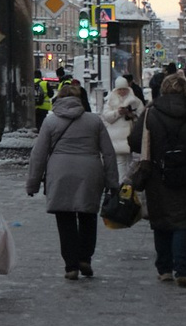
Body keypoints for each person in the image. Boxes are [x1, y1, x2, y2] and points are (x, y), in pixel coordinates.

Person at [131, 72, 186, 285]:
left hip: (157, 176)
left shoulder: (151, 113)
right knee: (184, 223)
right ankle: (183, 270)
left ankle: (165, 269)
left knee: (161, 222)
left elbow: (134, 142)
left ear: (162, 90)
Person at [27, 78, 118, 279]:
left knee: (65, 219)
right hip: (90, 173)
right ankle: (85, 258)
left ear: (58, 99)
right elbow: (108, 153)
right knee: (88, 216)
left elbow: (39, 154)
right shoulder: (94, 121)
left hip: (60, 174)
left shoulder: (50, 122)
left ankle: (71, 266)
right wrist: (112, 182)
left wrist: (32, 183)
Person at [100, 76, 144, 179]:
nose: (122, 91)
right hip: (116, 136)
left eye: (124, 89)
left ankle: (126, 186)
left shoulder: (135, 101)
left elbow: (141, 116)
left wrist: (131, 115)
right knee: (120, 162)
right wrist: (118, 113)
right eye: (120, 89)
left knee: (130, 163)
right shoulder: (110, 100)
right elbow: (106, 116)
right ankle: (122, 185)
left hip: (129, 136)